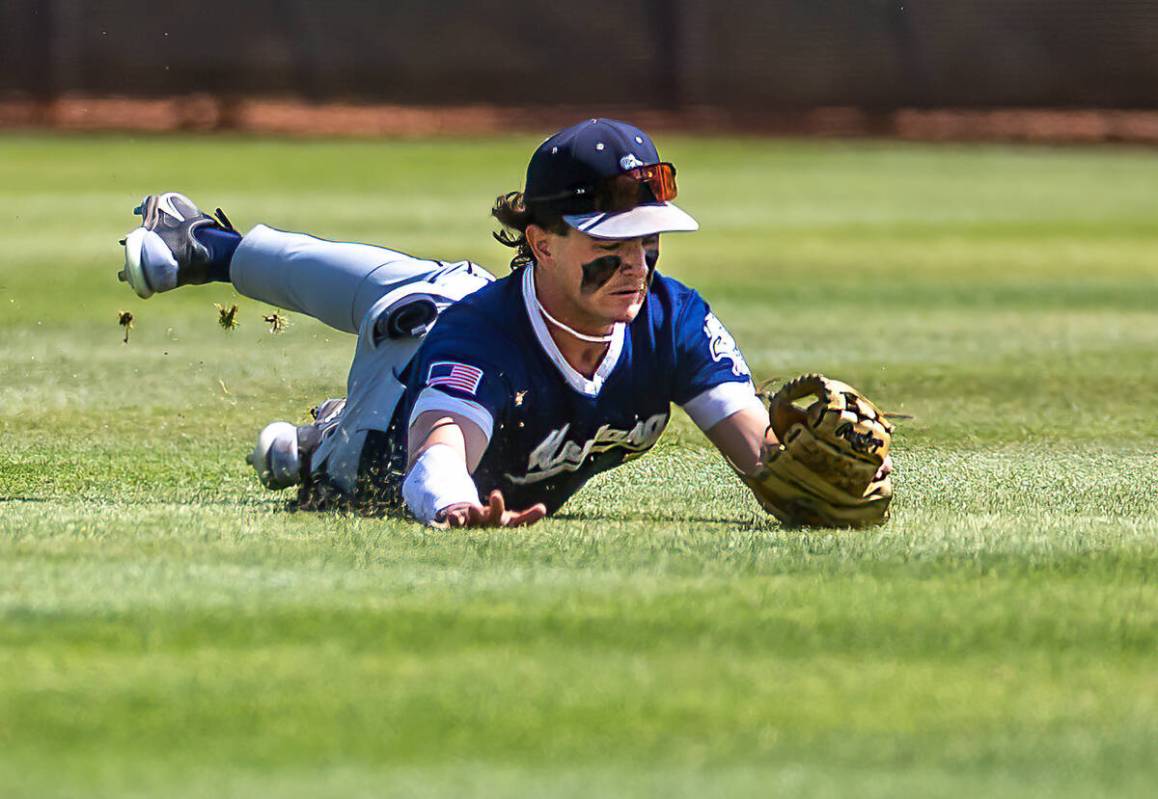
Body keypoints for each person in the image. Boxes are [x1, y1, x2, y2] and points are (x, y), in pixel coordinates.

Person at [118, 118, 778, 528]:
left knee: (443, 295)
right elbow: (435, 461)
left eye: (647, 240)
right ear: (542, 242)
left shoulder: (672, 318)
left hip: (447, 379)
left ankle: (305, 429)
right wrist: (454, 505)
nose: (636, 264)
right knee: (427, 303)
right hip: (386, 444)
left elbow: (764, 456)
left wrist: (816, 482)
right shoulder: (482, 336)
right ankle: (213, 255)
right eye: (610, 246)